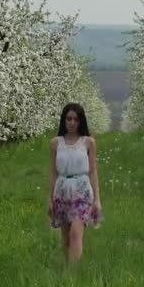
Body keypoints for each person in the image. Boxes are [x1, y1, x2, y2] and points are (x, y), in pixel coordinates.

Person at [48, 103, 103, 265]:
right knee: (65, 239)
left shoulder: (88, 142)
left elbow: (93, 171)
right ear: (64, 120)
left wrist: (97, 200)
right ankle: (66, 272)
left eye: (76, 119)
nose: (72, 122)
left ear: (81, 121)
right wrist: (49, 198)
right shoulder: (55, 143)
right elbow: (53, 172)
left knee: (75, 235)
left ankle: (73, 277)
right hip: (62, 191)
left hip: (82, 191)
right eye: (69, 119)